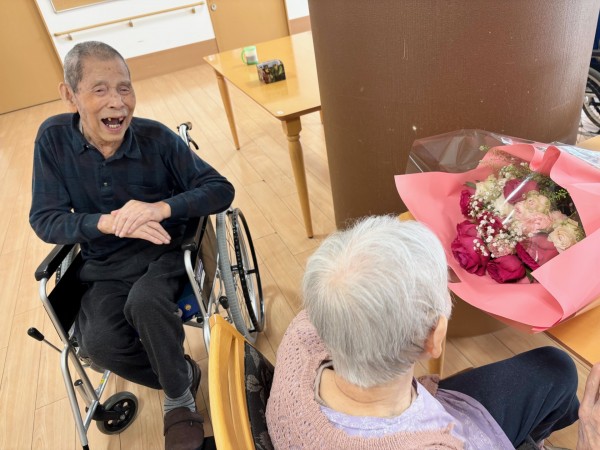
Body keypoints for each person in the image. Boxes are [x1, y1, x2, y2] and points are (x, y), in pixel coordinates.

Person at [29, 41, 235, 450]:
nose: (117, 102)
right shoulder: (53, 140)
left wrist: (160, 208)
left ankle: (178, 403)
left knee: (145, 303)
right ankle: (182, 375)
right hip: (103, 264)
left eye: (125, 88)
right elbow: (45, 218)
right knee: (98, 344)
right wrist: (105, 222)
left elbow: (220, 189)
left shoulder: (155, 139)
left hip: (165, 253)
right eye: (100, 89)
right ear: (70, 95)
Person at [266, 215, 596, 449]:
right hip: (459, 430)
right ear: (433, 339)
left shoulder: (302, 336)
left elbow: (353, 289)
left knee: (557, 370)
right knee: (560, 374)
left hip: (415, 407)